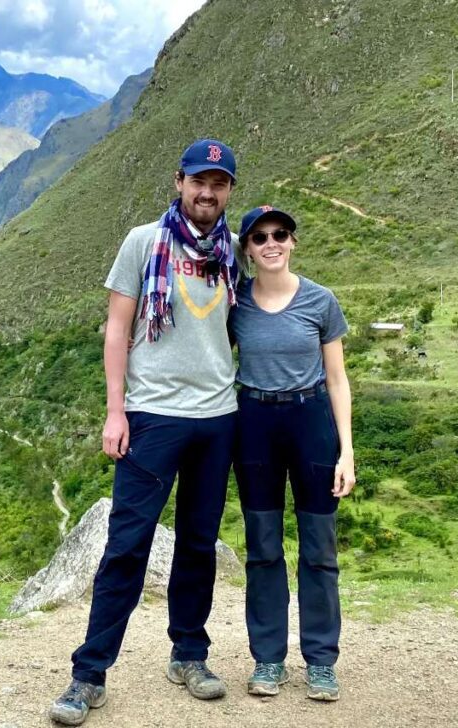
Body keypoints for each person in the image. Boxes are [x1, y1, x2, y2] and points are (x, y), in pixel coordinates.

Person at [49, 139, 243, 726]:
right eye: (198, 181)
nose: (206, 192)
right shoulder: (143, 242)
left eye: (218, 184)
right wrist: (116, 411)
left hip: (217, 417)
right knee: (127, 545)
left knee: (198, 544)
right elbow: (117, 329)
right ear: (179, 182)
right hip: (151, 415)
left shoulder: (234, 251)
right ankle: (89, 674)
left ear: (229, 191)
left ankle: (189, 655)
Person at [228, 206, 356, 702]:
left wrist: (347, 451)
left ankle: (321, 661)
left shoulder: (320, 301)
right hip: (254, 423)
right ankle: (268, 659)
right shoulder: (236, 301)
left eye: (280, 234)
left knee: (319, 547)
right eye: (259, 237)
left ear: (293, 242)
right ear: (247, 249)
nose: (271, 244)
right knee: (263, 545)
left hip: (311, 422)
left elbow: (338, 379)